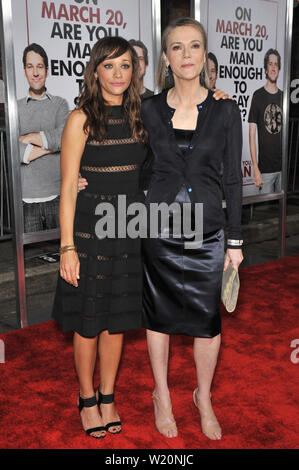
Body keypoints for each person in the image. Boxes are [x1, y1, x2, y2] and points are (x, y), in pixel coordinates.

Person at [141, 17, 243, 440]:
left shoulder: (224, 109)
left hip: (208, 233)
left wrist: (235, 243)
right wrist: (83, 175)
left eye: (194, 46)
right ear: (165, 58)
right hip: (158, 232)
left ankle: (204, 396)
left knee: (208, 322)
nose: (186, 55)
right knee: (159, 317)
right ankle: (162, 395)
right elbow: (131, 160)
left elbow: (234, 178)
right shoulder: (147, 108)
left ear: (205, 55)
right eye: (177, 47)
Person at [52, 37, 147, 438]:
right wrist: (67, 247)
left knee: (117, 321)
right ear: (95, 71)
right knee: (89, 321)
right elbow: (69, 187)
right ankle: (86, 397)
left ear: (134, 70)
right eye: (109, 66)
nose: (117, 74)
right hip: (90, 233)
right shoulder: (81, 119)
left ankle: (108, 395)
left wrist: (214, 92)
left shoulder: (143, 114)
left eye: (125, 66)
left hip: (128, 230)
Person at [18, 43, 69, 233]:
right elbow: (15, 150)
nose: (35, 73)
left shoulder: (60, 104)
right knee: (32, 261)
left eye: (40, 67)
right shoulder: (16, 108)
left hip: (57, 196)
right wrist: (53, 145)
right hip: (27, 200)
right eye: (30, 67)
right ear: (24, 71)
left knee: (62, 257)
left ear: (47, 71)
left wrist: (28, 137)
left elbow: (62, 137)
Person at [248, 48, 283, 194]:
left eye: (276, 64)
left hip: (283, 169)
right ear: (266, 68)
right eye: (270, 64)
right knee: (265, 214)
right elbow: (251, 135)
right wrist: (255, 168)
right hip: (265, 171)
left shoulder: (284, 97)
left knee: (283, 214)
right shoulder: (258, 96)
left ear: (279, 68)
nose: (273, 67)